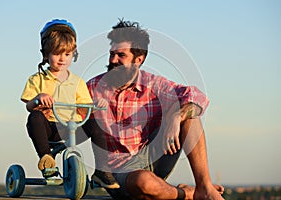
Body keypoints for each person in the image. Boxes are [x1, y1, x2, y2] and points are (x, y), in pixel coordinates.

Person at [85, 19, 225, 199]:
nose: (113, 60)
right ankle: (187, 194)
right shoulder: (93, 87)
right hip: (118, 172)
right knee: (144, 183)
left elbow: (197, 97)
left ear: (139, 59)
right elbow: (67, 118)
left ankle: (204, 187)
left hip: (152, 156)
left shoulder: (154, 84)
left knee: (188, 113)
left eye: (121, 55)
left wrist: (176, 116)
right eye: (111, 54)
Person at [20, 19, 113, 182]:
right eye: (56, 53)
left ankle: (102, 170)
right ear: (46, 54)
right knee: (34, 117)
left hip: (72, 127)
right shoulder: (38, 79)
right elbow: (29, 105)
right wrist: (38, 99)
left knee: (95, 122)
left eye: (67, 54)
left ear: (73, 54)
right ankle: (47, 158)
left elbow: (85, 107)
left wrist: (96, 106)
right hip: (49, 127)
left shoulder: (77, 82)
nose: (62, 59)